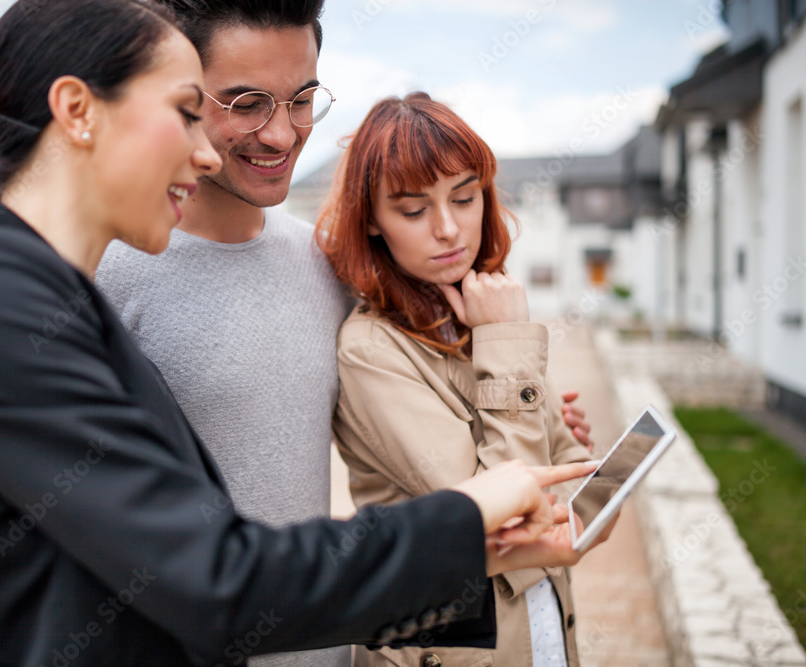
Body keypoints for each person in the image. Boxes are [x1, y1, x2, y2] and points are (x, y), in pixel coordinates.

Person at [0, 2, 607, 665]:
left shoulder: (47, 293)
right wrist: (471, 517)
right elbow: (213, 576)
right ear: (77, 110)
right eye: (191, 110)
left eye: (300, 98)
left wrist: (523, 403)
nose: (205, 151)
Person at [95, 4, 592, 665]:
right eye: (246, 102)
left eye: (302, 99)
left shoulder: (329, 267)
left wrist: (530, 402)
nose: (280, 133)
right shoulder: (106, 271)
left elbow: (423, 388)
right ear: (181, 92)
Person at [316, 93, 605, 667]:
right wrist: (507, 349)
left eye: (464, 198)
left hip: (543, 621)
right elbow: (502, 514)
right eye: (413, 210)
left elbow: (583, 491)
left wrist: (574, 498)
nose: (448, 229)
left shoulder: (480, 316)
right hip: (452, 646)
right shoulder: (370, 349)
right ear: (372, 219)